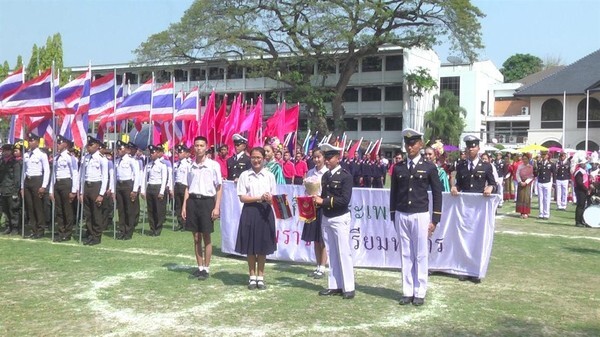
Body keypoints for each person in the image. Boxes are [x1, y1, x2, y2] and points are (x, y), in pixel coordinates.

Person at [390, 129, 442, 306]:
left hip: (420, 214)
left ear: (420, 145)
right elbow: (394, 193)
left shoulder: (429, 167)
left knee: (420, 254)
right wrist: (392, 214)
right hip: (401, 213)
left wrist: (435, 219)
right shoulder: (398, 167)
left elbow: (437, 194)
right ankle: (407, 290)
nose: (409, 147)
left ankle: (420, 291)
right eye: (407, 144)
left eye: (413, 144)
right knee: (405, 254)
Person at [450, 135, 495, 283]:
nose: (471, 149)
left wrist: (489, 187)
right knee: (464, 238)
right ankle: (464, 268)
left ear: (478, 148)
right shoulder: (461, 166)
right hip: (465, 207)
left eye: (473, 146)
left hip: (479, 209)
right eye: (468, 146)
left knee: (477, 239)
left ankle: (475, 270)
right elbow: (459, 184)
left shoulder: (486, 166)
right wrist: (455, 187)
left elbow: (493, 183)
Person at [313, 143, 355, 300]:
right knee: (332, 252)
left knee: (343, 252)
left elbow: (344, 200)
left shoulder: (345, 176)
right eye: (327, 157)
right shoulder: (326, 176)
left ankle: (348, 287)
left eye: (330, 158)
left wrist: (322, 202)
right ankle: (334, 285)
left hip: (340, 217)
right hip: (327, 217)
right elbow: (323, 195)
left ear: (338, 158)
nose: (328, 160)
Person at [235, 147, 277, 290]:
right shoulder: (245, 175)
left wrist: (269, 199)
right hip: (250, 211)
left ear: (264, 158)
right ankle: (252, 276)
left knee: (262, 246)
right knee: (250, 246)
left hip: (265, 212)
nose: (256, 160)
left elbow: (274, 199)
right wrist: (259, 197)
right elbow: (242, 197)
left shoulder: (269, 176)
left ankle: (261, 276)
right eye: (253, 157)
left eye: (259, 157)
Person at [182, 136, 223, 280]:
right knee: (196, 237)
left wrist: (217, 207)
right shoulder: (190, 165)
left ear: (206, 147)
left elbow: (219, 187)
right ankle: (199, 267)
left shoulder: (213, 165)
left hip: (207, 202)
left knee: (206, 236)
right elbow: (187, 186)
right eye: (197, 145)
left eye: (201, 145)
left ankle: (206, 267)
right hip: (193, 201)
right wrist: (184, 206)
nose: (199, 148)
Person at [302, 149, 328, 279]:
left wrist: (319, 197)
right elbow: (306, 189)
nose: (316, 160)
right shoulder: (310, 172)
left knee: (322, 239)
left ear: (323, 158)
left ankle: (323, 267)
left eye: (319, 157)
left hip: (322, 207)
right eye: (314, 158)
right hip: (311, 207)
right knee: (315, 239)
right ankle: (318, 266)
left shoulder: (327, 173)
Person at [48, 135, 79, 242]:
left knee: (67, 210)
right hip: (58, 183)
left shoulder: (70, 157)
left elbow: (75, 173)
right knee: (59, 210)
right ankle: (61, 231)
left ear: (65, 144)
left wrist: (74, 190)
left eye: (59, 143)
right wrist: (51, 190)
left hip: (67, 183)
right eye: (57, 143)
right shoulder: (56, 157)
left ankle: (67, 232)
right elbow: (53, 174)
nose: (57, 145)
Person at [79, 136, 109, 245]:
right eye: (88, 145)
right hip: (87, 186)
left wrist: (101, 194)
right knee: (88, 213)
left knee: (96, 213)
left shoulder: (102, 158)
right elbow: (82, 175)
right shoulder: (86, 158)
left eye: (91, 145)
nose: (88, 147)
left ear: (97, 145)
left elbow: (105, 177)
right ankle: (90, 234)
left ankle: (96, 236)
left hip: (96, 186)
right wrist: (81, 192)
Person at [21, 132, 50, 239]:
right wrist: (22, 186)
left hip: (37, 181)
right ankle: (33, 229)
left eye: (32, 140)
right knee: (30, 207)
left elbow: (46, 170)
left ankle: (40, 229)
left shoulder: (42, 155)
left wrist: (43, 186)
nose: (30, 142)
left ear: (37, 142)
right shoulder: (26, 155)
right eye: (29, 140)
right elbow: (24, 171)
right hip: (27, 181)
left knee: (38, 207)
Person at [114, 140, 140, 240]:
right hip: (119, 186)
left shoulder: (131, 160)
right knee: (121, 210)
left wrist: (134, 190)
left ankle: (129, 231)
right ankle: (122, 230)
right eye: (117, 149)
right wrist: (113, 189)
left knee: (129, 209)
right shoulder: (117, 161)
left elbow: (137, 175)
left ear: (126, 149)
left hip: (128, 185)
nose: (119, 151)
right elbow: (114, 176)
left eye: (120, 149)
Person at [141, 145, 168, 236]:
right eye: (150, 153)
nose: (151, 155)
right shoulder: (148, 165)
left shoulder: (162, 165)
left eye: (153, 153)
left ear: (157, 153)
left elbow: (164, 179)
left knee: (158, 210)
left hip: (158, 187)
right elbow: (144, 178)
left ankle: (158, 227)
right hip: (150, 188)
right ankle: (152, 228)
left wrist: (161, 192)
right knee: (150, 210)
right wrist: (143, 190)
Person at [0, 144, 22, 235]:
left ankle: (15, 228)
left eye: (7, 150)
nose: (5, 152)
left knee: (14, 210)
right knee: (5, 209)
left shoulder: (15, 163)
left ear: (11, 152)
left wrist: (15, 191)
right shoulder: (1, 162)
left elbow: (17, 178)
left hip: (11, 189)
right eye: (4, 150)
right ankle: (9, 226)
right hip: (3, 189)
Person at [173, 144, 192, 231]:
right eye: (178, 152)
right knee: (178, 206)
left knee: (185, 205)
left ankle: (186, 224)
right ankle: (180, 223)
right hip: (177, 185)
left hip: (184, 186)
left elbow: (189, 177)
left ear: (185, 153)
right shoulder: (176, 164)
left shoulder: (188, 164)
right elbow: (173, 176)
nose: (179, 154)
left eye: (181, 152)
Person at [571, 151, 590, 227]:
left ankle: (581, 220)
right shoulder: (579, 171)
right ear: (581, 164)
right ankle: (578, 221)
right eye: (584, 163)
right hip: (580, 190)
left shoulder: (582, 170)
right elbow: (579, 183)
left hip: (582, 190)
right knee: (580, 205)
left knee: (582, 206)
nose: (585, 164)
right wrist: (586, 189)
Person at [534, 150, 555, 220]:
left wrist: (554, 183)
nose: (543, 156)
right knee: (540, 198)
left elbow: (554, 173)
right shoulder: (539, 163)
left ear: (547, 156)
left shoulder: (551, 164)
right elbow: (536, 173)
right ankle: (541, 213)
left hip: (547, 182)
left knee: (547, 198)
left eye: (545, 155)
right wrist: (535, 168)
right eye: (542, 155)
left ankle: (546, 214)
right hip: (540, 182)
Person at [515, 153, 534, 219]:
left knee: (526, 197)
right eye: (523, 159)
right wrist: (520, 181)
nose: (524, 160)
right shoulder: (520, 166)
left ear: (528, 159)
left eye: (526, 159)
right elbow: (517, 174)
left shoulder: (530, 167)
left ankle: (526, 212)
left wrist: (525, 182)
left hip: (527, 184)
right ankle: (521, 212)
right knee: (520, 197)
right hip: (520, 183)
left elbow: (531, 176)